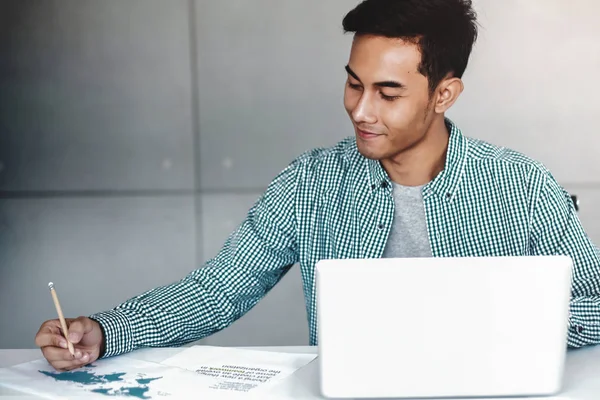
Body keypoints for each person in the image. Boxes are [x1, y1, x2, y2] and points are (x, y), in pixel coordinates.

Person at [35, 0, 600, 371]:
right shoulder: (311, 183)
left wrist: (498, 316)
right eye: (354, 84)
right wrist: (107, 332)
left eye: (388, 92)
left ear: (444, 95)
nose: (361, 109)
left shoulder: (522, 186)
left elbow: (595, 309)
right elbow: (215, 291)